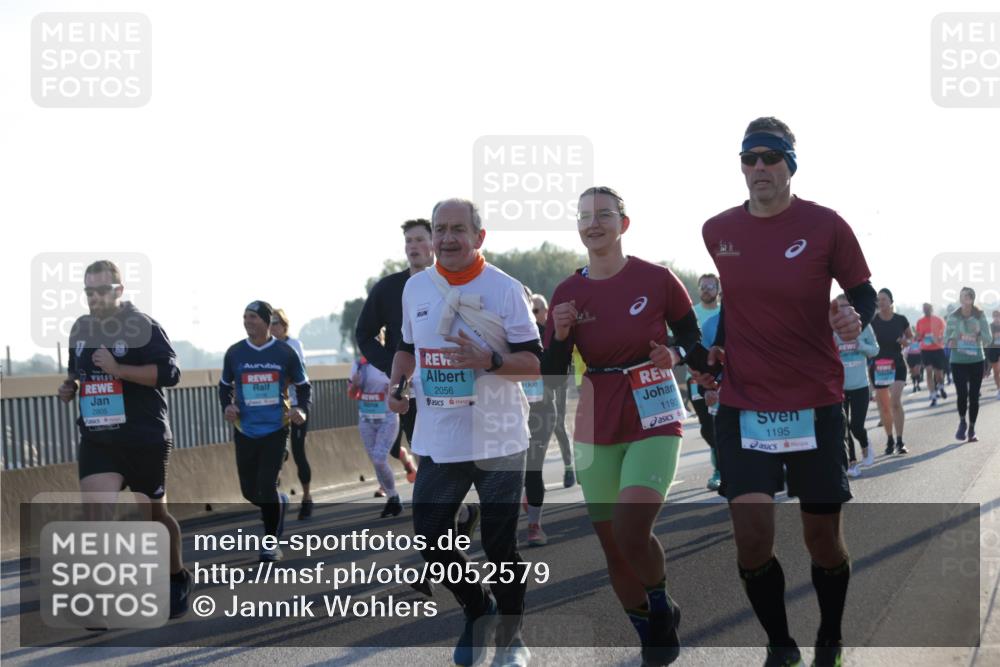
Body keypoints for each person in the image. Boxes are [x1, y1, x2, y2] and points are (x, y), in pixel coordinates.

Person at [692, 117, 876, 667]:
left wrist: (852, 318)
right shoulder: (717, 230)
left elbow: (862, 294)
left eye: (770, 157)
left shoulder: (826, 226)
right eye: (749, 158)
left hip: (814, 401)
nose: (758, 168)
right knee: (751, 538)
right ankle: (780, 645)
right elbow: (738, 309)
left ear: (790, 163)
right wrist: (712, 353)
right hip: (745, 404)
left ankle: (831, 637)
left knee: (822, 540)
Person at [545, 186, 698, 667]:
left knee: (633, 527)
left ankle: (658, 602)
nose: (594, 223)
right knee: (613, 544)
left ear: (623, 224)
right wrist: (563, 333)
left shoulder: (657, 278)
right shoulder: (567, 292)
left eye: (604, 214)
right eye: (585, 216)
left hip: (652, 405)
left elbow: (692, 337)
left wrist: (673, 354)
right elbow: (551, 367)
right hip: (595, 413)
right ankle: (647, 629)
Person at [388, 198, 540, 667]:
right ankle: (479, 609)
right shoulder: (416, 288)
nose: (448, 238)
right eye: (440, 229)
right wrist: (396, 389)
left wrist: (489, 361)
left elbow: (535, 362)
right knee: (431, 539)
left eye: (458, 229)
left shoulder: (506, 289)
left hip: (498, 435)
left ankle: (512, 640)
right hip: (441, 437)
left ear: (479, 236)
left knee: (499, 546)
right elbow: (406, 349)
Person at [58, 259, 193, 620]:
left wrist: (119, 370)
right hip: (99, 439)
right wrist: (70, 386)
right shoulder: (81, 329)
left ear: (119, 290)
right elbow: (76, 369)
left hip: (143, 437)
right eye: (89, 291)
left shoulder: (142, 326)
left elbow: (170, 373)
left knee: (154, 517)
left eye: (102, 290)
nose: (95, 297)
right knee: (96, 518)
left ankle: (176, 575)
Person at [219, 301, 311, 562]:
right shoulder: (235, 353)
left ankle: (270, 543)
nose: (247, 321)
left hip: (276, 427)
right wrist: (228, 405)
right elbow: (224, 385)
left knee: (266, 485)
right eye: (244, 317)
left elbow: (304, 387)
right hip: (245, 428)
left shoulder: (284, 353)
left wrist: (301, 409)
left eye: (252, 317)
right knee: (250, 492)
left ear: (265, 321)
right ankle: (277, 504)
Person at [356, 220, 432, 485]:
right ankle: (446, 517)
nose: (414, 246)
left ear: (434, 243)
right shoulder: (388, 288)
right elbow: (363, 334)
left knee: (453, 456)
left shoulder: (450, 284)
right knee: (422, 452)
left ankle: (457, 512)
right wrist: (393, 368)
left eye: (420, 239)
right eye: (408, 241)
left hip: (450, 383)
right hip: (410, 387)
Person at [269, 308, 314, 519]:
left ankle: (307, 497)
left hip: (295, 405)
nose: (272, 327)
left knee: (298, 451)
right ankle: (274, 498)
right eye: (269, 323)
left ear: (284, 325)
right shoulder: (267, 348)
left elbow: (300, 375)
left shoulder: (293, 345)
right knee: (276, 454)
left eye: (276, 322)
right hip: (275, 409)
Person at [522, 292, 558, 546]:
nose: (532, 316)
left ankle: (534, 525)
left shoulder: (547, 335)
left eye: (535, 311)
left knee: (533, 468)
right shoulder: (501, 335)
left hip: (541, 410)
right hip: (510, 411)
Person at [350, 349, 403, 515]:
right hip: (366, 419)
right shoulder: (359, 365)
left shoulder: (389, 362)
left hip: (387, 418)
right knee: (375, 461)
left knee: (380, 460)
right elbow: (352, 394)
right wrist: (356, 385)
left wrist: (395, 391)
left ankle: (393, 495)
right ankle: (392, 498)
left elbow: (403, 389)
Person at [531, 294, 576, 488]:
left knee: (557, 425)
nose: (531, 314)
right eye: (529, 310)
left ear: (546, 312)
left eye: (535, 310)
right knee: (535, 428)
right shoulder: (527, 330)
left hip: (557, 383)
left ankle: (568, 467)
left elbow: (564, 357)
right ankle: (535, 476)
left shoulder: (553, 330)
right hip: (535, 385)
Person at [834, 295, 879, 477]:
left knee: (856, 426)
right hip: (839, 386)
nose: (842, 310)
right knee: (843, 427)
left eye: (845, 306)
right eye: (838, 307)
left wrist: (860, 345)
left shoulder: (864, 326)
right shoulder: (832, 329)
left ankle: (865, 443)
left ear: (852, 307)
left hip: (860, 385)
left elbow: (875, 349)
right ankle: (852, 463)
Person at [944, 287, 992, 442]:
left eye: (967, 297)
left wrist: (978, 334)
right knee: (962, 394)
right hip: (958, 361)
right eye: (961, 297)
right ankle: (962, 421)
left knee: (974, 397)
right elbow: (946, 338)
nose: (964, 300)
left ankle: (972, 428)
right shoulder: (953, 317)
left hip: (976, 361)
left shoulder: (980, 315)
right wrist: (953, 340)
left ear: (972, 299)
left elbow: (988, 338)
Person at [689, 273, 722, 491]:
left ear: (718, 290)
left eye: (711, 286)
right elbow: (676, 342)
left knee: (720, 424)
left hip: (723, 378)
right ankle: (721, 464)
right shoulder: (691, 314)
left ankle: (719, 470)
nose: (707, 289)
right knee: (707, 428)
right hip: (695, 379)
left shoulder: (724, 314)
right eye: (703, 286)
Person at [870, 289, 913, 455]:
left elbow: (911, 338)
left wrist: (905, 341)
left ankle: (900, 441)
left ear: (891, 301)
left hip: (898, 365)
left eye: (884, 299)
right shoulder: (872, 321)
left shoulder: (900, 319)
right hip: (879, 367)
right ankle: (889, 439)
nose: (881, 302)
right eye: (878, 300)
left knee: (895, 401)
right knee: (884, 407)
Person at [915, 303, 948, 406]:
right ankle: (933, 396)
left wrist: (938, 339)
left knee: (939, 374)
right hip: (926, 350)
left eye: (928, 308)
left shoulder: (939, 320)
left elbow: (945, 334)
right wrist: (920, 337)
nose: (926, 310)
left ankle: (941, 387)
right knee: (928, 372)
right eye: (924, 309)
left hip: (938, 349)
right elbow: (918, 336)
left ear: (931, 309)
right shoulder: (920, 322)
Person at [989, 310, 1000, 396]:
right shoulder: (990, 326)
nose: (996, 318)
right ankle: (999, 389)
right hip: (993, 349)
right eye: (995, 316)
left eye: (998, 316)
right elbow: (988, 338)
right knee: (996, 372)